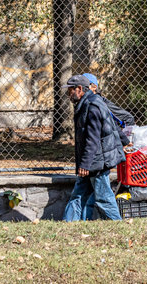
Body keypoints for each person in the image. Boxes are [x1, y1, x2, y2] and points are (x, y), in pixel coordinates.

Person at [62, 74, 126, 222]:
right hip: (93, 160)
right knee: (78, 195)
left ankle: (117, 224)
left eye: (70, 90)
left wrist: (85, 164)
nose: (68, 94)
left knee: (104, 197)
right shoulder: (87, 103)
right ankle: (69, 224)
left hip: (96, 161)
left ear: (79, 89)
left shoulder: (91, 106)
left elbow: (93, 139)